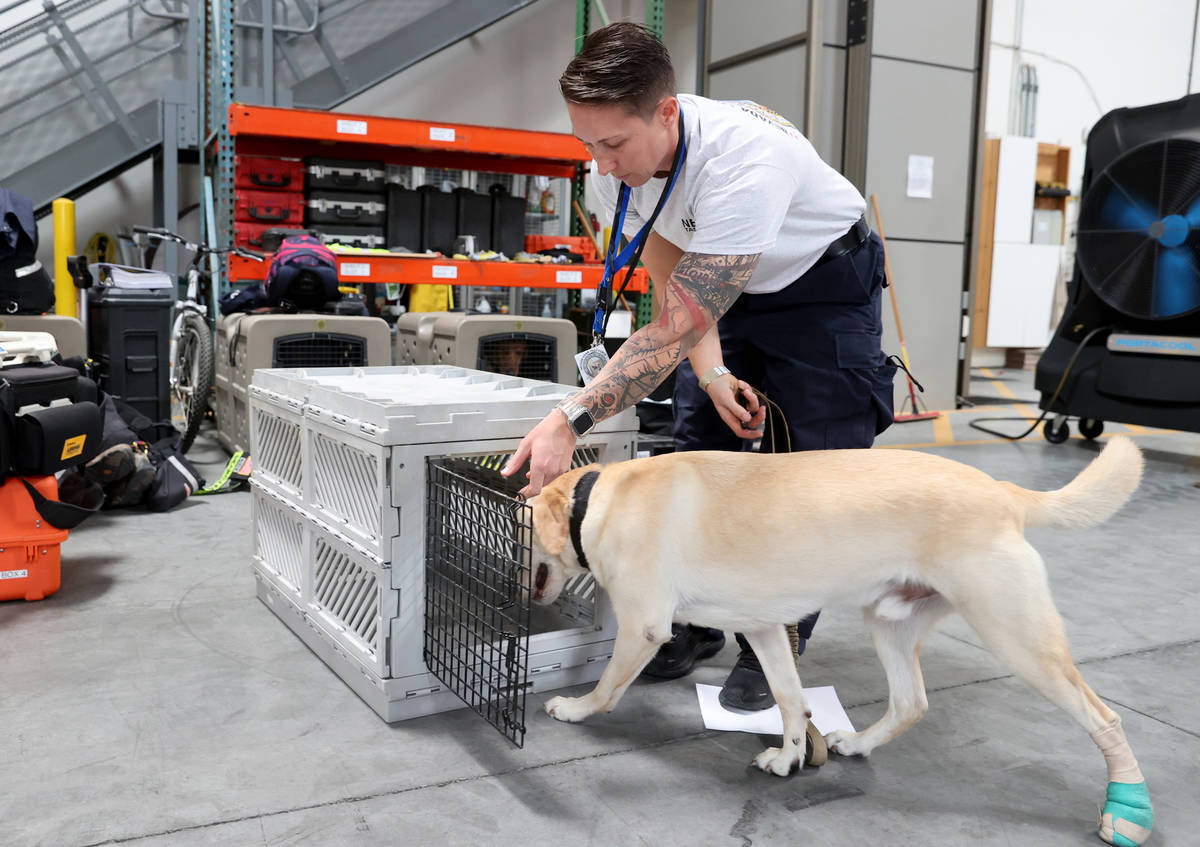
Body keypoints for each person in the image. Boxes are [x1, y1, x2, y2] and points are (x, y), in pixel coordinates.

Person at [502, 22, 896, 711]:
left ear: (665, 111)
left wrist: (571, 417)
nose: (599, 163)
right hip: (719, 286)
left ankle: (772, 641)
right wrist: (712, 376)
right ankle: (688, 620)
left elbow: (680, 321)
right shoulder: (612, 174)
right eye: (585, 144)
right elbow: (672, 284)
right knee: (695, 453)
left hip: (820, 285)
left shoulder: (746, 163)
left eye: (614, 144)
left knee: (809, 471)